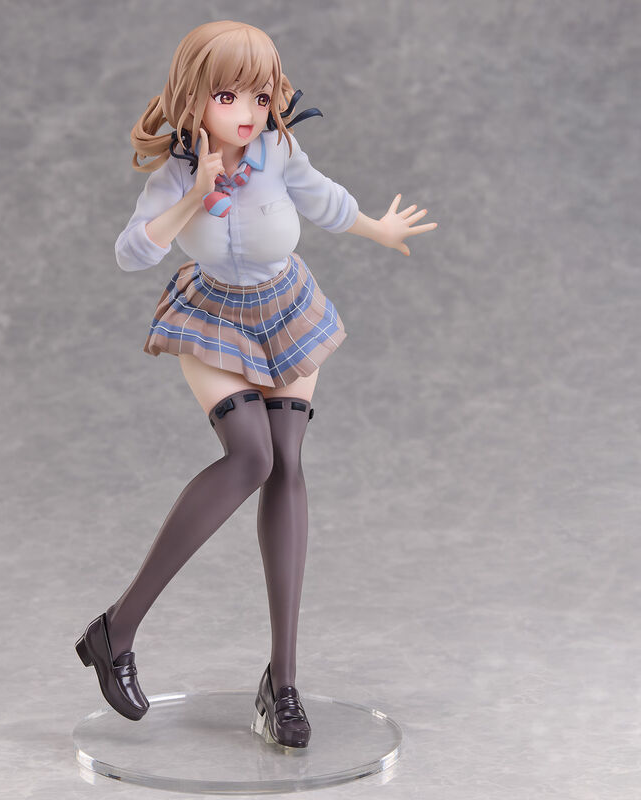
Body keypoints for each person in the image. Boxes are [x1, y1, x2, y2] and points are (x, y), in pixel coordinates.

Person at [75, 19, 437, 749]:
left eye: (262, 95)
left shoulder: (279, 151)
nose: (248, 111)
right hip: (212, 317)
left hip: (286, 309)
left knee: (288, 465)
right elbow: (130, 253)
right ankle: (117, 627)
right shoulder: (175, 172)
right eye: (227, 95)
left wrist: (379, 229)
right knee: (251, 457)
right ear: (193, 97)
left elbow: (325, 200)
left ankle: (284, 682)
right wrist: (194, 197)